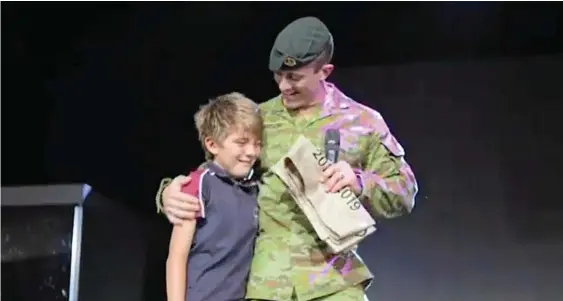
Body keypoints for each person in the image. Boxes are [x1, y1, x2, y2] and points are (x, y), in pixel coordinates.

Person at [157, 17, 419, 301]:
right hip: (267, 283)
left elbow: (404, 192)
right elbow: (216, 170)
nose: (283, 86)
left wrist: (358, 181)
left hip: (333, 281)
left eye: (294, 77)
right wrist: (168, 192)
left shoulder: (362, 122)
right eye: (278, 76)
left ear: (324, 71)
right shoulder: (259, 118)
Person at [165, 92, 263, 301]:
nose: (251, 151)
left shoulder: (255, 188)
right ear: (212, 144)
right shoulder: (199, 184)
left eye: (257, 144)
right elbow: (177, 256)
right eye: (241, 142)